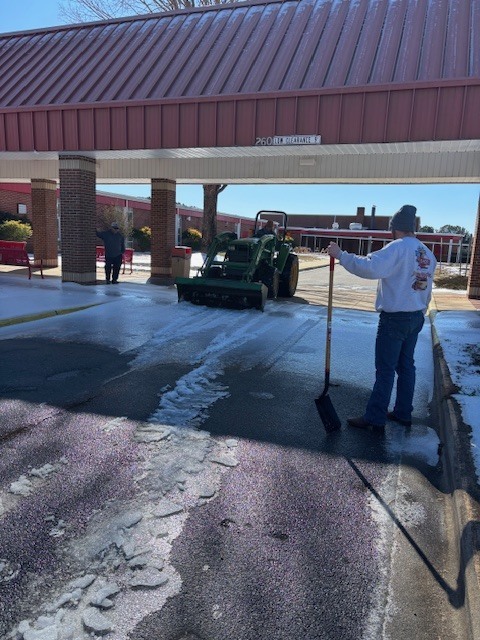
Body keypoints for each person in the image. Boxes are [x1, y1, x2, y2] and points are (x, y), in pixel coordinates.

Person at [326, 204, 437, 432]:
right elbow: (427, 288)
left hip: (394, 319)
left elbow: (370, 267)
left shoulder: (397, 248)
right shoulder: (426, 253)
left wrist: (341, 255)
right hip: (415, 317)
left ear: (395, 228)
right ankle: (403, 412)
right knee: (406, 366)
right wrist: (421, 311)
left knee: (385, 370)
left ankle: (375, 417)